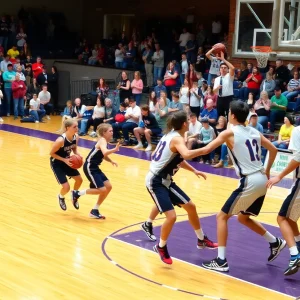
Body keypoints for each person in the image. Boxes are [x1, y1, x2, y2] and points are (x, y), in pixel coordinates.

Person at [194, 100, 285, 272]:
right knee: (243, 217)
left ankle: (221, 260)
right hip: (261, 180)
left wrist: (184, 153)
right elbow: (273, 149)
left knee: (221, 217)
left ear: (232, 115)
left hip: (249, 181)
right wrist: (266, 171)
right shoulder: (254, 131)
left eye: (229, 112)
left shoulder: (229, 133)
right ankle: (275, 242)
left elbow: (206, 150)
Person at [144, 110, 217, 264]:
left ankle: (201, 239)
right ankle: (161, 246)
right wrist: (206, 149)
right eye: (188, 120)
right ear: (185, 123)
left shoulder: (170, 135)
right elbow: (187, 154)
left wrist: (194, 170)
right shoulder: (177, 139)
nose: (190, 122)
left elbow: (177, 158)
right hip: (156, 181)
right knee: (172, 216)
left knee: (190, 206)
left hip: (166, 180)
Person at [267, 126, 300, 276]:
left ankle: (295, 255)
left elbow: (298, 157)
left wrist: (279, 176)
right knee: (291, 217)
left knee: (282, 218)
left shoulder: (297, 131)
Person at [72, 124, 120, 219]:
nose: (112, 132)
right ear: (104, 133)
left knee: (108, 187)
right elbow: (105, 152)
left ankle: (95, 210)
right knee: (102, 189)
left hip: (95, 167)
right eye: (110, 131)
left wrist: (111, 161)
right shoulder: (102, 141)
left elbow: (104, 155)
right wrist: (115, 149)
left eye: (112, 131)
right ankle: (77, 193)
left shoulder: (105, 141)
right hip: (90, 167)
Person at [50, 119, 83, 211]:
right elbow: (51, 153)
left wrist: (78, 155)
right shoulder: (60, 140)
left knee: (79, 180)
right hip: (57, 162)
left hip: (68, 160)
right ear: (67, 128)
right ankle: (61, 197)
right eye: (74, 127)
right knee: (66, 187)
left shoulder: (76, 137)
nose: (77, 128)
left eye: (77, 126)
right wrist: (64, 160)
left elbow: (74, 149)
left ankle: (74, 195)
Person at [213, 52, 235, 118]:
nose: (223, 69)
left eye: (225, 67)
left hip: (228, 98)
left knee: (229, 115)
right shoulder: (217, 79)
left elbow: (233, 68)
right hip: (220, 98)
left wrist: (223, 59)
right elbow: (214, 91)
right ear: (219, 69)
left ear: (227, 69)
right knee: (220, 116)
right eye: (221, 67)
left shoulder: (229, 76)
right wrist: (218, 88)